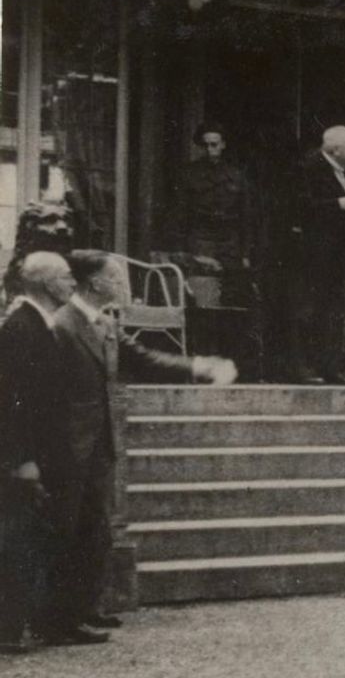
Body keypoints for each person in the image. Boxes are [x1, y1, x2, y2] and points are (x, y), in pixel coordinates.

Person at [39, 250, 235, 645]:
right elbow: (43, 397)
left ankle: (86, 608)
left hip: (99, 444)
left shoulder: (106, 324)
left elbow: (144, 359)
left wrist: (196, 367)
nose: (122, 285)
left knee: (97, 529)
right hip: (69, 449)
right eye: (115, 277)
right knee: (72, 530)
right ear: (94, 283)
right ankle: (61, 620)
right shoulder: (61, 326)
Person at [0, 252, 76, 653]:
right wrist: (23, 461)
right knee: (17, 542)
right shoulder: (21, 329)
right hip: (26, 461)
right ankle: (8, 630)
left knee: (31, 541)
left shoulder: (39, 325)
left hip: (43, 455)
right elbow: (13, 402)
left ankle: (29, 623)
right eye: (65, 277)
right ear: (46, 284)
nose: (71, 283)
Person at [283, 125, 345, 384]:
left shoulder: (341, 173)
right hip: (312, 255)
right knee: (309, 309)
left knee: (332, 311)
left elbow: (336, 212)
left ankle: (329, 367)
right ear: (335, 149)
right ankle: (303, 367)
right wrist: (338, 204)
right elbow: (298, 206)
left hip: (335, 256)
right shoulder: (308, 168)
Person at [170, 122, 258, 308]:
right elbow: (180, 213)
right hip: (202, 238)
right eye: (206, 145)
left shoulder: (237, 175)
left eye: (214, 144)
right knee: (204, 293)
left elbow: (246, 216)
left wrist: (246, 252)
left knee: (231, 295)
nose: (210, 150)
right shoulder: (190, 174)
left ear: (223, 145)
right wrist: (180, 247)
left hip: (230, 242)